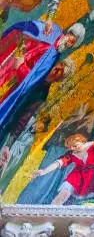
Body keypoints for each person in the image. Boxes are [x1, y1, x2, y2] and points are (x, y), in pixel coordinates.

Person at [17, 76, 94, 204]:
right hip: (66, 143)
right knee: (45, 181)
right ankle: (26, 206)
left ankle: (52, 212)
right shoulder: (91, 99)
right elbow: (67, 118)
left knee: (68, 185)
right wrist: (66, 136)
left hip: (89, 153)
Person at [0, 58, 74, 192]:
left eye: (61, 72)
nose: (56, 70)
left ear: (59, 79)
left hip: (11, 128)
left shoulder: (44, 94)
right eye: (58, 66)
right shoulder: (37, 75)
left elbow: (26, 116)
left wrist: (10, 142)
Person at [0, 20, 84, 130]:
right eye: (70, 38)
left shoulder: (53, 57)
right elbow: (30, 29)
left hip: (14, 78)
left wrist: (21, 66)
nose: (68, 43)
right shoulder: (53, 30)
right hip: (10, 61)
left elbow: (32, 79)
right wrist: (23, 48)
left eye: (71, 43)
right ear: (68, 33)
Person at [31, 133, 94, 205]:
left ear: (82, 141)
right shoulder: (71, 154)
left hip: (92, 175)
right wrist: (43, 171)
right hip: (76, 175)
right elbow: (58, 163)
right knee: (65, 190)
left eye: (75, 146)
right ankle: (54, 207)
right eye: (70, 147)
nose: (73, 149)